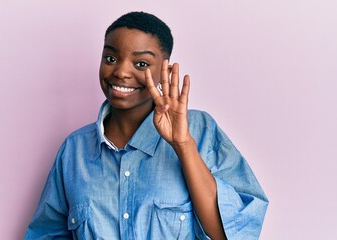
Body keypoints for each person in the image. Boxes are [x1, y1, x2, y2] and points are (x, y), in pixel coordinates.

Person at [25, 11, 268, 240]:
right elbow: (47, 233)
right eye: (111, 58)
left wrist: (183, 146)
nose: (121, 72)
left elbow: (233, 232)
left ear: (166, 70)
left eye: (141, 64)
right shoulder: (74, 150)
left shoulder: (200, 130)